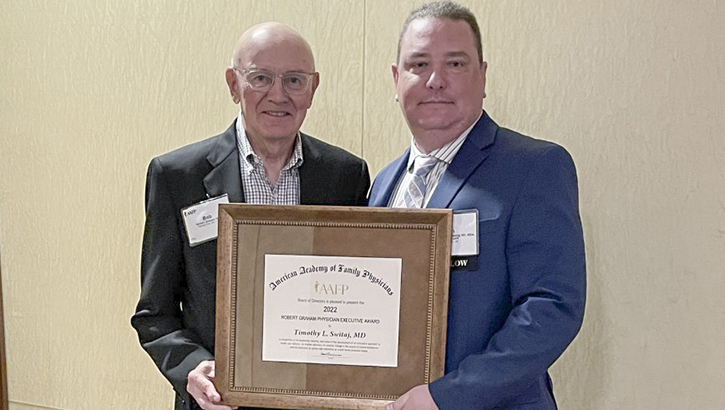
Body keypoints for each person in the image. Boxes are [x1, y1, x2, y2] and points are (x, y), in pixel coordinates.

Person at [131, 22, 370, 410]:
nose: (278, 95)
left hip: (316, 400)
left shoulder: (346, 175)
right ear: (233, 84)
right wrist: (192, 367)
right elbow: (154, 314)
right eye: (261, 78)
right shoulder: (178, 176)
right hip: (219, 403)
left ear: (313, 88)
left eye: (294, 80)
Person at [368, 2, 586, 409]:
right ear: (396, 80)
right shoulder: (383, 184)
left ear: (482, 76)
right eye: (418, 64)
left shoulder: (534, 167)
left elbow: (551, 308)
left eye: (455, 64)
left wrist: (445, 397)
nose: (435, 80)